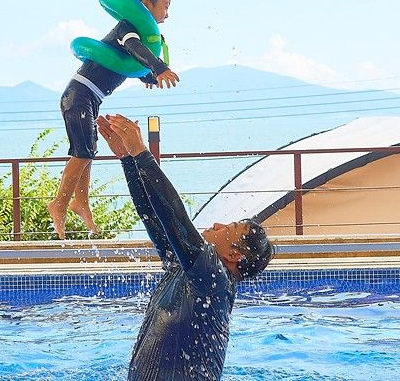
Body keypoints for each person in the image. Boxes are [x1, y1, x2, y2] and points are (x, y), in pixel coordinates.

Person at [97, 114, 275, 381]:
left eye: (229, 227)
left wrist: (141, 154)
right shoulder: (190, 268)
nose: (217, 224)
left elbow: (175, 217)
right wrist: (128, 159)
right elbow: (154, 216)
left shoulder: (214, 278)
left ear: (234, 255)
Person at [47, 0, 184, 239]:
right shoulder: (127, 29)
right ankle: (59, 203)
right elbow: (134, 49)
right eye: (165, 6)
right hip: (79, 95)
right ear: (145, 4)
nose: (167, 14)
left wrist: (150, 77)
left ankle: (80, 202)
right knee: (82, 152)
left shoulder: (142, 36)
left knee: (88, 151)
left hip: (90, 97)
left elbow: (134, 65)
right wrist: (159, 66)